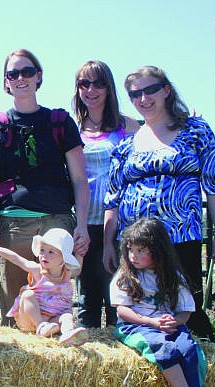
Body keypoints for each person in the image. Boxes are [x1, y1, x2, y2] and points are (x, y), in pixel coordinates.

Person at [103, 65, 215, 340]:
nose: (143, 99)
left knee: (187, 305)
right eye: (135, 94)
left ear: (167, 90)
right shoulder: (127, 145)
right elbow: (112, 198)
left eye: (150, 90)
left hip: (181, 235)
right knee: (139, 304)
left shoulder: (196, 130)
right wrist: (108, 244)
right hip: (135, 242)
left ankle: (201, 370)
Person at [0, 48, 90, 326]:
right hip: (13, 226)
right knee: (17, 311)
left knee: (57, 304)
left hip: (58, 224)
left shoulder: (60, 122)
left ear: (38, 76)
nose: (20, 78)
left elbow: (79, 179)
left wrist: (82, 225)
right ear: (5, 82)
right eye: (12, 74)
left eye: (27, 71)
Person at [110, 218, 214, 387]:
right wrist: (152, 322)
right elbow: (123, 312)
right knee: (164, 348)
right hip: (137, 326)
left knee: (189, 350)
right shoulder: (125, 277)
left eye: (141, 250)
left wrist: (174, 322)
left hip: (168, 325)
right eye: (130, 249)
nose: (133, 256)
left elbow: (185, 311)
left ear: (158, 250)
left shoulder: (173, 276)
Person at [73, 60, 140, 329]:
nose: (91, 89)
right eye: (84, 83)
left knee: (119, 293)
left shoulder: (129, 126)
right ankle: (88, 354)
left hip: (121, 222)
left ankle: (120, 348)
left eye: (99, 83)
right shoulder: (74, 129)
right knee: (87, 295)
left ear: (109, 88)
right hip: (87, 222)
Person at [0, 228, 88, 346]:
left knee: (67, 316)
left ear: (64, 258)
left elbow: (78, 269)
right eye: (42, 250)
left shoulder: (67, 273)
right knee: (27, 295)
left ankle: (68, 335)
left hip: (53, 319)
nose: (44, 255)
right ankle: (41, 327)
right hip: (30, 320)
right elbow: (17, 259)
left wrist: (80, 254)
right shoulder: (38, 271)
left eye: (51, 252)